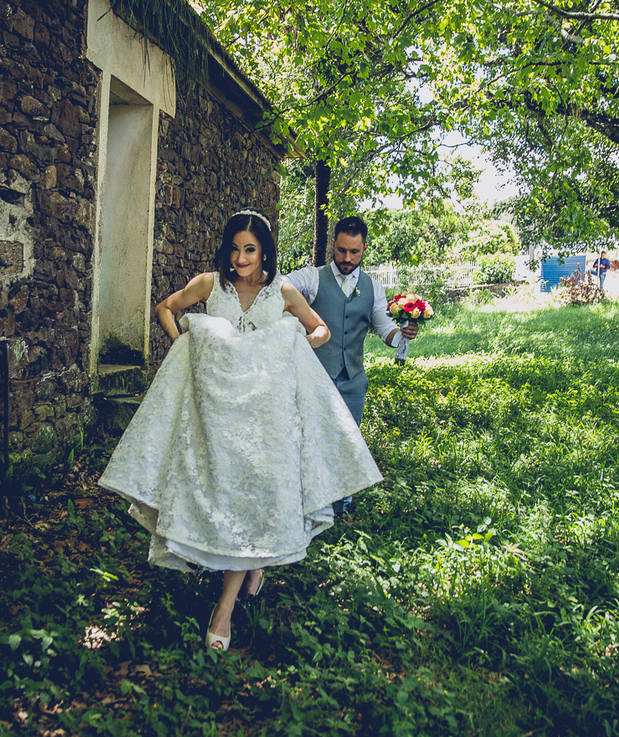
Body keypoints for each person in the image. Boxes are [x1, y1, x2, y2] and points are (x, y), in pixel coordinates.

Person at [98, 210, 382, 652]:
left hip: (265, 417)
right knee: (224, 491)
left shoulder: (282, 291)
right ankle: (251, 567)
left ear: (264, 250)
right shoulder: (210, 284)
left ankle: (224, 608)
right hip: (216, 414)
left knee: (255, 495)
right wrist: (186, 346)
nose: (240, 257)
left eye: (249, 249)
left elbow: (319, 328)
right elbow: (166, 308)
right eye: (234, 248)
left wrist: (289, 349)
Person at [285, 216, 420, 515]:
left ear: (364, 249)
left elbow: (384, 328)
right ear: (333, 244)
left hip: (352, 381)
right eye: (342, 250)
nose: (347, 258)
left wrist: (403, 335)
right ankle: (306, 507)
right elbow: (277, 287)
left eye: (354, 252)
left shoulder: (374, 288)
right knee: (310, 441)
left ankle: (340, 508)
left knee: (347, 444)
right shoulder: (311, 278)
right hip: (313, 377)